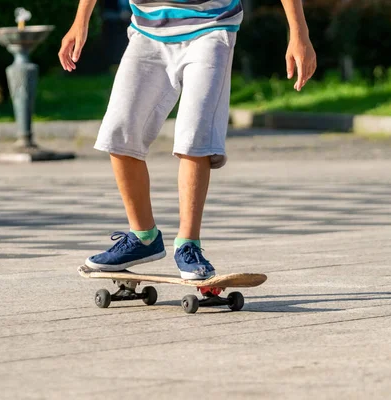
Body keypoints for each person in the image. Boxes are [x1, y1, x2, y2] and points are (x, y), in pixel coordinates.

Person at [59, 0, 316, 280]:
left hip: (211, 27)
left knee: (194, 136)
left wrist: (298, 33)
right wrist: (80, 21)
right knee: (118, 132)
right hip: (147, 31)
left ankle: (188, 245)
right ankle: (144, 237)